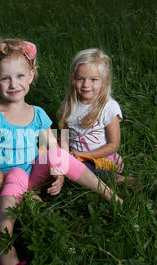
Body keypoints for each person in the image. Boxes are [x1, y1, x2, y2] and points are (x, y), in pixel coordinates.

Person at [0, 38, 122, 265]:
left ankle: (110, 195)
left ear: (32, 75)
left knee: (57, 154)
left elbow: (51, 146)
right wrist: (7, 188)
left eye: (21, 76)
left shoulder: (37, 113)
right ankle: (3, 245)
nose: (14, 84)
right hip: (3, 182)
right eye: (5, 78)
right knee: (15, 174)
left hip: (31, 175)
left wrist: (58, 172)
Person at [57, 48, 134, 185]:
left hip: (100, 159)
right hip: (76, 156)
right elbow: (64, 135)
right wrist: (63, 152)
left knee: (80, 168)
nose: (86, 85)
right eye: (80, 79)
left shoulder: (108, 107)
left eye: (94, 79)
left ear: (104, 81)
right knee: (45, 144)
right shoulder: (70, 104)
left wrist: (84, 156)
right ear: (73, 79)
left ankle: (120, 180)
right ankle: (49, 178)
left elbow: (113, 145)